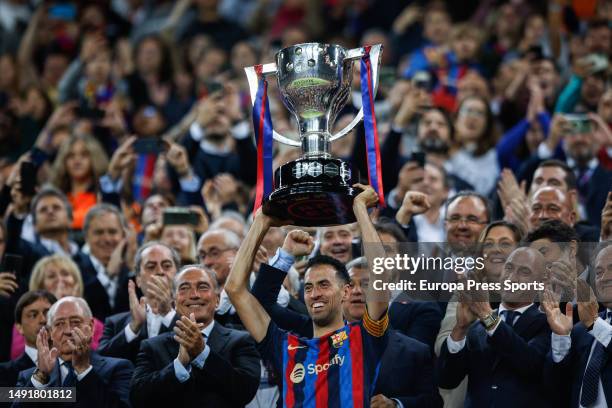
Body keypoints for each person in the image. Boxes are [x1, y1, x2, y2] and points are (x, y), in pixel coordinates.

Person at [225, 184, 392, 407]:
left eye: (324, 284)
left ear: (346, 291)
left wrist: (359, 208)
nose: (315, 294)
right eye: (309, 287)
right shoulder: (283, 344)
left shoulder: (364, 338)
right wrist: (261, 222)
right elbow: (235, 289)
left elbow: (380, 271)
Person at [130, 265, 261, 407]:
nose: (194, 295)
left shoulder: (241, 341)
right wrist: (179, 365)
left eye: (203, 287)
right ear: (174, 303)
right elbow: (137, 398)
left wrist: (203, 354)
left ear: (217, 300)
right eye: (184, 288)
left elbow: (245, 391)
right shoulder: (152, 346)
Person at [437, 247, 553, 407]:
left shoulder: (549, 324)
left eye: (524, 272)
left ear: (542, 282)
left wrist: (487, 316)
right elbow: (447, 381)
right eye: (509, 268)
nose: (511, 278)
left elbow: (531, 366)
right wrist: (460, 328)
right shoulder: (476, 327)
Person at [14, 296, 133, 408]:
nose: (67, 330)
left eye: (75, 322)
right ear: (50, 332)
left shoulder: (119, 369)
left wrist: (84, 370)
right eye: (59, 324)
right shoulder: (30, 377)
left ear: (91, 327)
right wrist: (41, 377)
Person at [542, 243, 612, 408]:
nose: (605, 277)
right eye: (599, 272)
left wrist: (596, 326)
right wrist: (561, 337)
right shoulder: (580, 329)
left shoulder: (591, 323)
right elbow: (554, 387)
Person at [10, 255, 105, 359]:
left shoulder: (91, 322)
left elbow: (102, 353)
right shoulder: (29, 318)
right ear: (40, 287)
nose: (60, 280)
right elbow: (19, 353)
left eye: (65, 274)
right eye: (51, 276)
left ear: (76, 282)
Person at [98, 242, 180, 363]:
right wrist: (134, 327)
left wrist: (168, 314)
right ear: (138, 280)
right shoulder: (115, 323)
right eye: (151, 266)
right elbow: (101, 363)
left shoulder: (194, 318)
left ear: (178, 275)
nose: (160, 271)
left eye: (167, 266)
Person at [74, 204, 131, 321]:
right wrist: (108, 275)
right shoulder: (74, 267)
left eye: (112, 232)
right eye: (99, 232)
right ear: (86, 236)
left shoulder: (132, 268)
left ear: (123, 235)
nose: (107, 239)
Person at [49, 134, 109, 230]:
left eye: (84, 155)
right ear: (64, 161)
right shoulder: (55, 195)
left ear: (95, 158)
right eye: (71, 156)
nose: (77, 161)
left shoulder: (105, 193)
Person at [0, 290, 55, 386]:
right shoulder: (3, 373)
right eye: (33, 315)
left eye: (48, 313)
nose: (43, 320)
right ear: (19, 327)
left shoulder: (74, 366)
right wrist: (41, 376)